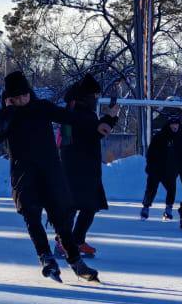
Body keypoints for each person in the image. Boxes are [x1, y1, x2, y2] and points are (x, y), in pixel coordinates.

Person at [0, 71, 99, 283]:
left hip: (51, 172)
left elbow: (70, 118)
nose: (22, 100)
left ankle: (75, 260)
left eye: (25, 95)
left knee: (62, 218)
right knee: (32, 217)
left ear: (30, 92)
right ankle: (46, 257)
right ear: (9, 97)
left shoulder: (42, 108)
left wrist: (100, 120)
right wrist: (8, 111)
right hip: (24, 175)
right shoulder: (5, 116)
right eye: (17, 97)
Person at [57, 74, 115, 257]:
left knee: (84, 206)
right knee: (81, 206)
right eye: (95, 96)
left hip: (78, 167)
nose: (97, 99)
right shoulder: (81, 113)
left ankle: (75, 240)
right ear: (87, 96)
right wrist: (111, 116)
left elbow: (92, 132)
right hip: (80, 168)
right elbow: (99, 131)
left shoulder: (72, 110)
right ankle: (65, 241)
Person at [141, 114, 180, 221]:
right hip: (156, 168)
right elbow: (151, 152)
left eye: (176, 124)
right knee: (151, 188)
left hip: (170, 170)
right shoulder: (160, 136)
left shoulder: (180, 138)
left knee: (171, 189)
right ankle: (145, 208)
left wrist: (179, 168)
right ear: (169, 125)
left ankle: (168, 210)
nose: (175, 126)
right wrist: (149, 165)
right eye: (173, 124)